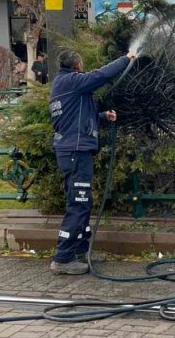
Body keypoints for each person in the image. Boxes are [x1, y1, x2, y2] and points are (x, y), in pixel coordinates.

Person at [49, 49, 136, 275]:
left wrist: (104, 117)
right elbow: (100, 75)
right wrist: (126, 59)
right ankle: (63, 258)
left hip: (74, 150)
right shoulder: (72, 81)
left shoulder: (65, 85)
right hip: (75, 151)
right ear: (77, 65)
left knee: (83, 202)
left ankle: (81, 251)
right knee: (78, 203)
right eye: (83, 64)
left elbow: (77, 119)